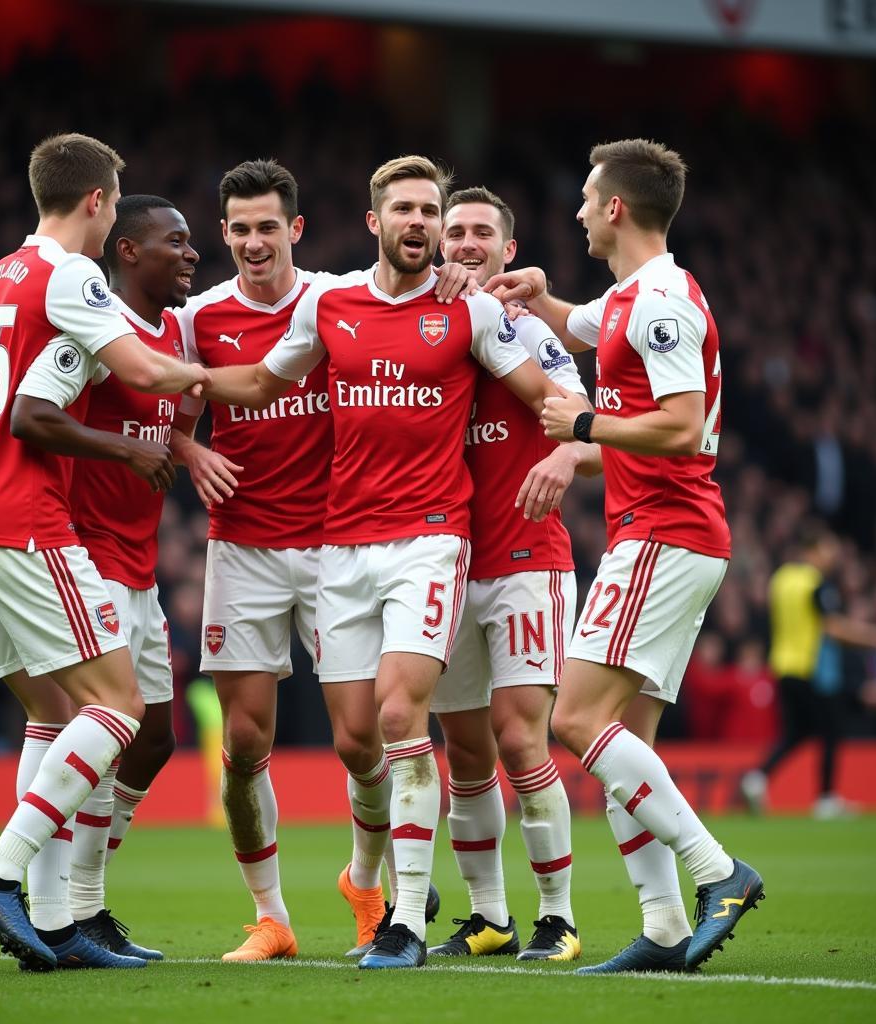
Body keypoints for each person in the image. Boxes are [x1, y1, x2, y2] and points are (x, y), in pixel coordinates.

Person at [201, 155, 561, 969]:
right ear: (375, 222)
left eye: (431, 212)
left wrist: (577, 448)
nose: (420, 224)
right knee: (357, 737)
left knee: (403, 719)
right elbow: (262, 381)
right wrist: (177, 386)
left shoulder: (467, 311)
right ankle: (374, 885)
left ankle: (403, 918)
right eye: (405, 210)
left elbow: (542, 390)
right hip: (341, 546)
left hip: (431, 539)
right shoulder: (331, 304)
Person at [0, 133, 210, 971]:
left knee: (54, 716)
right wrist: (229, 381)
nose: (114, 213)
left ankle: (54, 923)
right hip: (21, 517)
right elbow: (146, 373)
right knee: (118, 708)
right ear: (96, 202)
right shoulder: (71, 276)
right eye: (116, 203)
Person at [486, 138, 764, 974]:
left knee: (572, 720)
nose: (573, 210)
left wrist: (581, 427)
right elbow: (585, 324)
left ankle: (721, 873)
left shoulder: (662, 301)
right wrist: (539, 300)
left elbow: (680, 429)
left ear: (615, 208)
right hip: (671, 532)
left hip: (663, 531)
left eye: (583, 196)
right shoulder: (633, 298)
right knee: (618, 742)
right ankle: (665, 927)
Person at [171, 160, 439, 962]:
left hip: (338, 544)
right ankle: (272, 918)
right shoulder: (198, 318)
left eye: (267, 227)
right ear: (223, 235)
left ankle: (369, 888)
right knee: (245, 741)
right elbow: (171, 409)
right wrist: (190, 450)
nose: (254, 242)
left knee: (363, 742)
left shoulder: (337, 300)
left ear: (295, 229)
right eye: (239, 229)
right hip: (243, 547)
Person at [7, 194, 213, 960]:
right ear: (128, 250)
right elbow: (32, 413)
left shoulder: (178, 340)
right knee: (95, 724)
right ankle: (61, 904)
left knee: (154, 736)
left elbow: (173, 431)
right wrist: (122, 450)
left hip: (140, 566)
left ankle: (76, 894)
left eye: (194, 242)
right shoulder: (92, 331)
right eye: (176, 241)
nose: (192, 253)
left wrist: (188, 447)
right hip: (82, 557)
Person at [427, 187, 595, 962]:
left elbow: (589, 425)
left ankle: (558, 918)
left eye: (481, 232)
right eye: (453, 229)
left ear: (506, 249)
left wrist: (564, 451)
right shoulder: (421, 330)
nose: (464, 241)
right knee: (463, 750)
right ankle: (490, 916)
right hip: (444, 565)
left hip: (527, 558)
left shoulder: (527, 329)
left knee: (521, 738)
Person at [741, 523, 876, 819]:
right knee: (831, 730)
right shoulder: (816, 584)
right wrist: (871, 637)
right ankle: (826, 799)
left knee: (797, 732)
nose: (833, 555)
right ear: (812, 550)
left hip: (782, 666)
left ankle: (757, 778)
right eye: (828, 548)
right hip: (811, 668)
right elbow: (834, 628)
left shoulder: (781, 579)